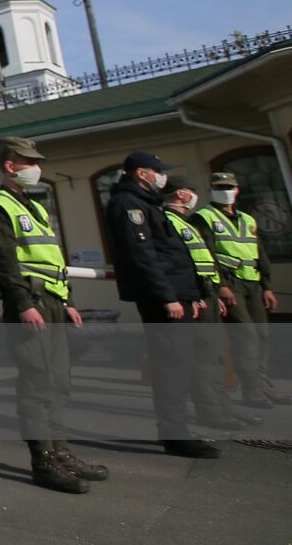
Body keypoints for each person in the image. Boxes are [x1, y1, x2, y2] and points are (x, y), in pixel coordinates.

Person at [0, 136, 107, 493]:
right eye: (28, 162)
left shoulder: (33, 207)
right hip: (32, 303)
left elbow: (51, 258)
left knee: (57, 381)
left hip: (52, 301)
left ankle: (61, 451)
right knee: (37, 383)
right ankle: (44, 460)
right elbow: (5, 262)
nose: (36, 168)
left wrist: (67, 301)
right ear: (10, 165)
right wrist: (23, 304)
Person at [104, 151, 218, 458]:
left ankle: (178, 429)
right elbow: (143, 256)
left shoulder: (146, 203)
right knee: (171, 367)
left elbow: (170, 254)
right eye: (157, 170)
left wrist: (189, 296)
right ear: (142, 173)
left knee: (181, 364)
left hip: (178, 296)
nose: (162, 176)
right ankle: (174, 434)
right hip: (162, 299)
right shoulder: (129, 205)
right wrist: (167, 296)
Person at [162, 176, 260, 429]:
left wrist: (214, 291)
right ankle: (211, 412)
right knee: (204, 357)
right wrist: (193, 296)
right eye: (192, 191)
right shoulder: (169, 221)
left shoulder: (184, 221)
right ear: (182, 194)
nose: (195, 196)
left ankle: (223, 408)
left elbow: (203, 261)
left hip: (207, 294)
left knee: (215, 356)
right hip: (197, 298)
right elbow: (178, 264)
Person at [191, 171, 288, 409]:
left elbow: (259, 253)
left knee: (261, 335)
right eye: (219, 186)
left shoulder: (247, 219)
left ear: (237, 190)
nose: (224, 190)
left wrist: (267, 286)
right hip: (229, 283)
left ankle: (262, 383)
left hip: (253, 282)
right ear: (211, 189)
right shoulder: (204, 217)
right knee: (245, 336)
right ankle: (251, 390)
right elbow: (206, 254)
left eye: (228, 186)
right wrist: (220, 285)